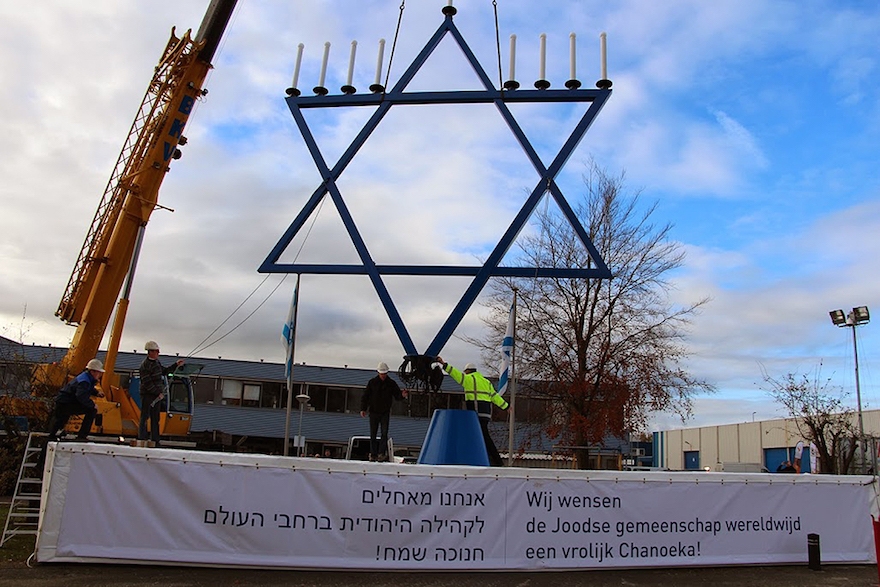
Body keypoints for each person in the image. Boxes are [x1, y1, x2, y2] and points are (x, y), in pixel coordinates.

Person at [436, 357, 509, 467]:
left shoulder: (468, 379)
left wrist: (443, 364)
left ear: (467, 371)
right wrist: (506, 407)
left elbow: (455, 374)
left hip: (475, 412)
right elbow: (495, 397)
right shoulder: (486, 382)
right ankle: (490, 460)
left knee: (482, 436)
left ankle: (496, 461)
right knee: (481, 435)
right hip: (486, 413)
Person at [47, 358, 106, 440]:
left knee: (59, 423)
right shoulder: (85, 381)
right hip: (66, 404)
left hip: (64, 402)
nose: (100, 375)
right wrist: (92, 404)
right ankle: (82, 436)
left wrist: (96, 393)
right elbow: (81, 396)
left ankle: (54, 436)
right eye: (99, 372)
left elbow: (86, 388)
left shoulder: (85, 378)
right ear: (93, 371)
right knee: (91, 410)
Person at [138, 340, 184, 445]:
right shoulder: (145, 365)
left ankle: (155, 439)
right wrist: (157, 393)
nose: (158, 353)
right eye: (156, 351)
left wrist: (175, 365)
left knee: (155, 417)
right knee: (145, 416)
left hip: (156, 395)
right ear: (150, 352)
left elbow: (164, 371)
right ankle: (142, 438)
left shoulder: (156, 363)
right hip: (147, 395)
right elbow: (147, 383)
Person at [360, 362, 407, 462]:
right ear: (378, 373)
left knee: (384, 433)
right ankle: (373, 454)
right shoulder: (372, 383)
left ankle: (381, 453)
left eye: (385, 373)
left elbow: (397, 395)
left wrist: (402, 395)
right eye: (382, 373)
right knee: (373, 434)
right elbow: (365, 397)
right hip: (373, 412)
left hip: (385, 412)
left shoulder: (391, 383)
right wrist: (363, 409)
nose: (383, 375)